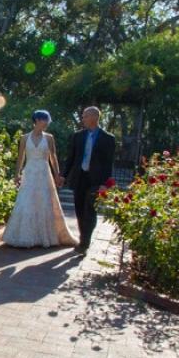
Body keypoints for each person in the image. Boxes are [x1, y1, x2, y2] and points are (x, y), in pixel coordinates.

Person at [2, 110, 78, 248]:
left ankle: (44, 236)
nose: (47, 123)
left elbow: (53, 157)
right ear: (37, 120)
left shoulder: (49, 138)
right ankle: (25, 236)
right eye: (45, 120)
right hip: (30, 172)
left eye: (48, 120)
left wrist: (57, 175)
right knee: (26, 201)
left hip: (44, 173)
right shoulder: (24, 138)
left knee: (44, 202)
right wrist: (16, 174)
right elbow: (21, 157)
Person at [60, 106, 116, 255]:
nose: (82, 118)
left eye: (85, 116)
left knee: (90, 210)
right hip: (79, 178)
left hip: (96, 181)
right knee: (79, 209)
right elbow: (70, 158)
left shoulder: (108, 138)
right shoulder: (77, 136)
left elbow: (108, 163)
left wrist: (105, 184)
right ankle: (83, 237)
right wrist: (63, 175)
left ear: (94, 117)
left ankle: (85, 243)